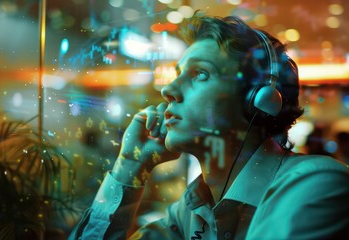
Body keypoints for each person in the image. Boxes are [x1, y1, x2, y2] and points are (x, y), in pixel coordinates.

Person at [70, 11, 349, 239]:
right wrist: (130, 166)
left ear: (257, 100)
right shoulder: (190, 211)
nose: (169, 89)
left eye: (201, 74)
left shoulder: (316, 185)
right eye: (178, 74)